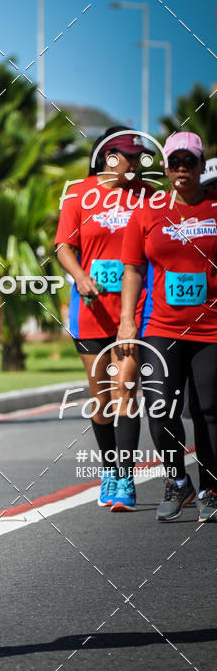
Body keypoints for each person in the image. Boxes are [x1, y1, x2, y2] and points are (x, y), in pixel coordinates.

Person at [119, 131, 217, 523]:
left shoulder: (214, 210)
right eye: (174, 162)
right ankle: (177, 481)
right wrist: (128, 321)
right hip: (162, 326)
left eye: (188, 162)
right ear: (165, 167)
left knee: (208, 410)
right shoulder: (147, 211)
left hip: (211, 329)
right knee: (159, 406)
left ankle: (210, 486)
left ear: (200, 165)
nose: (181, 169)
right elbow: (132, 270)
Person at [55, 127, 156, 511]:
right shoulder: (79, 194)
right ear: (108, 157)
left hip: (135, 310)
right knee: (101, 399)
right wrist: (80, 276)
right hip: (90, 310)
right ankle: (110, 467)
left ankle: (126, 479)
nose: (135, 163)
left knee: (126, 391)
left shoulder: (148, 195)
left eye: (138, 157)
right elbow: (64, 245)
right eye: (128, 156)